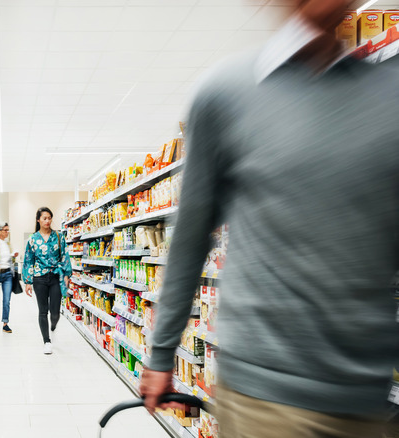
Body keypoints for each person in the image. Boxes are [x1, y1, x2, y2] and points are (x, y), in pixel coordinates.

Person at [139, 1, 399, 437]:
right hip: (266, 397)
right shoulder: (227, 91)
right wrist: (162, 353)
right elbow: (190, 237)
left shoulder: (388, 96)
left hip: (368, 399)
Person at [23, 207, 71, 355]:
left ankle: (54, 323)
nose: (47, 221)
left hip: (55, 275)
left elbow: (64, 255)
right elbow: (28, 260)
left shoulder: (58, 236)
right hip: (39, 278)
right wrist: (28, 281)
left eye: (49, 218)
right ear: (38, 220)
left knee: (55, 311)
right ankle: (47, 341)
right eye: (44, 218)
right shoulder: (33, 239)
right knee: (43, 310)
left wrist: (67, 274)